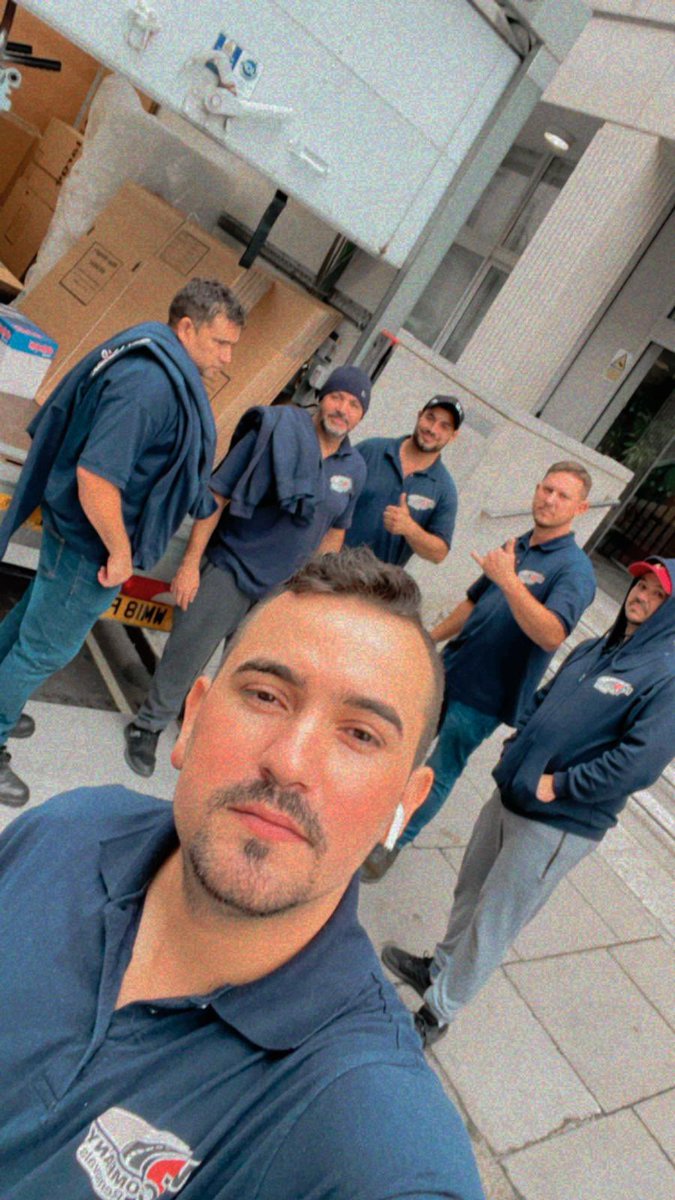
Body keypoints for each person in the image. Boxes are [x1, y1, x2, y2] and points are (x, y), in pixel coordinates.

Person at [0, 549, 485, 1200]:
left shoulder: (371, 1144)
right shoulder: (66, 829)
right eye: (265, 696)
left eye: (361, 735)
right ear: (193, 718)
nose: (290, 761)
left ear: (404, 805)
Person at [382, 556, 675, 1047]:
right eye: (641, 586)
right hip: (513, 793)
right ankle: (439, 968)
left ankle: (437, 1013)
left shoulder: (665, 675)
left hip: (559, 821)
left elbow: (638, 764)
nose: (641, 597)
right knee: (470, 890)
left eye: (658, 595)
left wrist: (560, 785)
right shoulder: (596, 647)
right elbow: (545, 698)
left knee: (495, 919)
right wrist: (520, 742)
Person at [0, 277, 243, 807]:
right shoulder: (148, 387)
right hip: (91, 545)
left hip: (79, 533)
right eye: (221, 343)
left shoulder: (151, 354)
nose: (227, 358)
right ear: (187, 327)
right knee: (44, 649)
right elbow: (96, 478)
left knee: (31, 624)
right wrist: (121, 552)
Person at [124, 365, 369, 778]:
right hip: (231, 566)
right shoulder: (275, 432)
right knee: (186, 654)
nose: (342, 409)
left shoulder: (354, 468)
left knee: (246, 675)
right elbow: (216, 495)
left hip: (281, 592)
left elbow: (335, 532)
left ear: (361, 416)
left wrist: (316, 593)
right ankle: (147, 726)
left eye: (354, 405)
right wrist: (191, 564)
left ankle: (205, 736)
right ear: (322, 398)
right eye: (337, 397)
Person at [362, 460, 596, 880]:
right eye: (546, 489)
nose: (550, 500)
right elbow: (473, 603)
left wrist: (509, 581)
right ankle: (368, 819)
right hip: (451, 668)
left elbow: (551, 634)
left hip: (487, 695)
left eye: (563, 496)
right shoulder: (517, 545)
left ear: (580, 509)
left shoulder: (574, 570)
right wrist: (429, 640)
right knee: (403, 745)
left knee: (439, 769)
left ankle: (391, 842)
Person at [344, 394, 462, 566]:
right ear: (419, 416)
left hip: (374, 581)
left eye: (445, 426)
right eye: (430, 418)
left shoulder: (444, 489)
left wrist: (410, 529)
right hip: (325, 565)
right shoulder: (371, 450)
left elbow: (439, 554)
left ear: (453, 436)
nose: (433, 429)